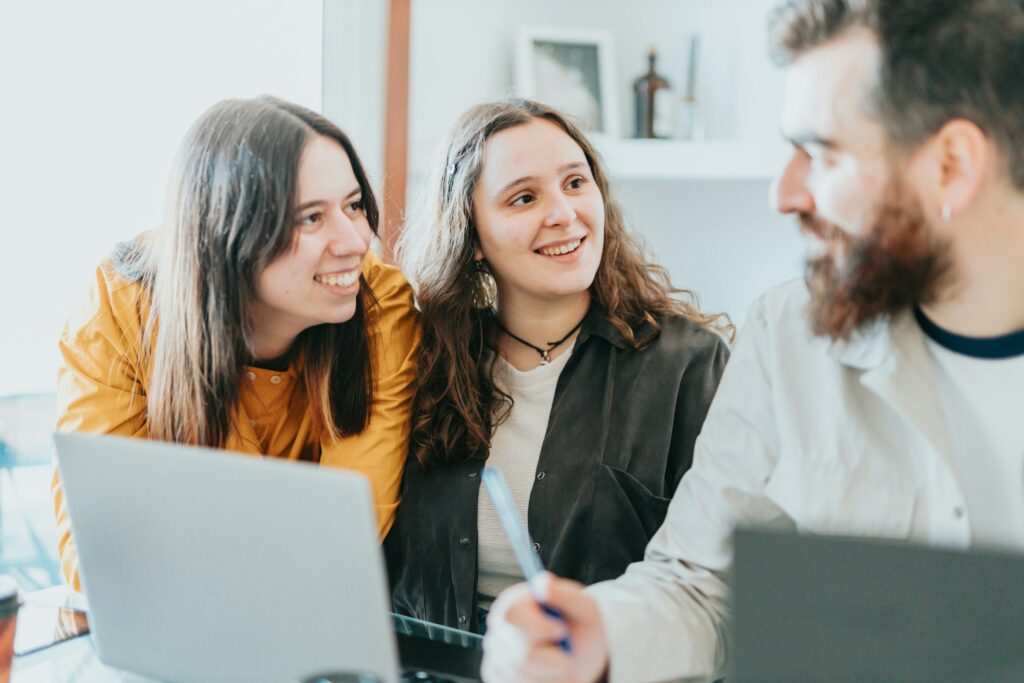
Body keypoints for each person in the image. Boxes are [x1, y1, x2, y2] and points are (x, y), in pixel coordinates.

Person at [480, 0, 1024, 681]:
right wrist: (603, 631)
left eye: (819, 153)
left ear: (951, 166)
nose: (783, 192)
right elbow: (701, 586)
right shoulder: (789, 332)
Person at [385, 98, 731, 633]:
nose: (564, 215)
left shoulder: (691, 366)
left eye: (575, 183)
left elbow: (719, 586)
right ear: (472, 237)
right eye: (524, 198)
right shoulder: (419, 359)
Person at [53, 96, 419, 591]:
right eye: (310, 218)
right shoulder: (119, 306)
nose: (356, 241)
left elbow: (345, 534)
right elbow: (100, 555)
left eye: (353, 206)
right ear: (228, 234)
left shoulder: (379, 305)